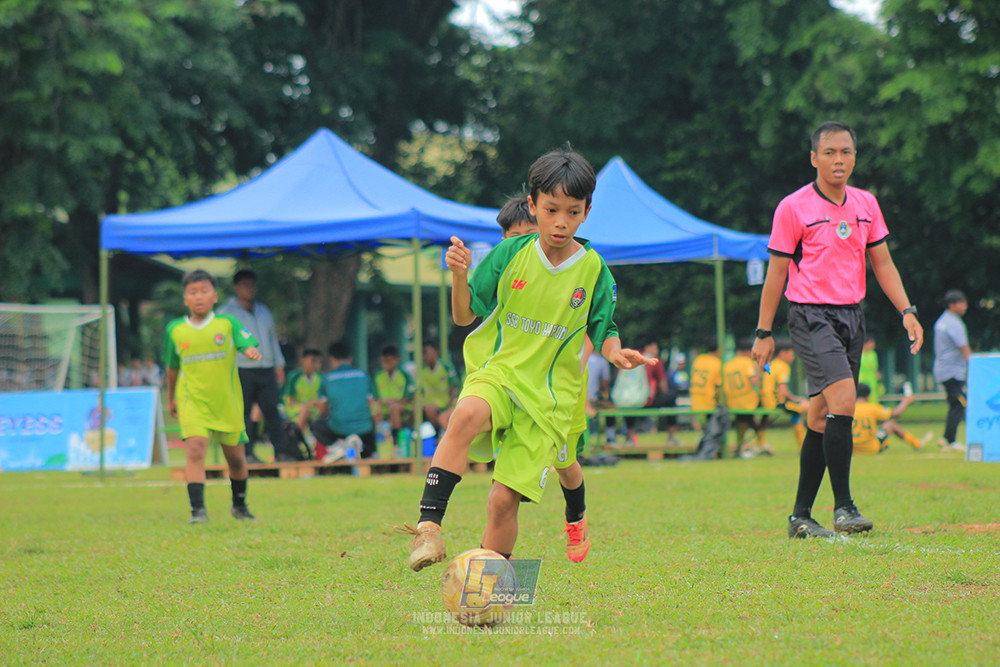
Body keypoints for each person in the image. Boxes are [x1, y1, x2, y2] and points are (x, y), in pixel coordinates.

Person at [404, 146, 655, 572]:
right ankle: (428, 528)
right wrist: (459, 276)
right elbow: (464, 316)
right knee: (464, 414)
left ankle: (495, 586)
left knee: (504, 500)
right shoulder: (509, 254)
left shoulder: (594, 270)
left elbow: (605, 329)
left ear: (586, 212)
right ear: (533, 205)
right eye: (551, 210)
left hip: (550, 401)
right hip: (500, 375)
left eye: (572, 212)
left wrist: (616, 354)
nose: (561, 222)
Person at [752, 121, 923, 539]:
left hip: (852, 316)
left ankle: (800, 517)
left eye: (846, 152)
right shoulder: (793, 207)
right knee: (845, 398)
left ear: (855, 157)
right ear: (814, 158)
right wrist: (763, 332)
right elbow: (776, 273)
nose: (838, 160)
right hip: (810, 315)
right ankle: (844, 508)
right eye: (829, 152)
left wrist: (907, 311)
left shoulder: (866, 204)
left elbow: (882, 263)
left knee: (818, 414)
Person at [498, 190, 593, 560]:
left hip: (559, 390)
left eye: (526, 236)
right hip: (515, 383)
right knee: (504, 490)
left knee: (565, 463)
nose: (520, 244)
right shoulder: (509, 271)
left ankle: (576, 516)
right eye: (512, 238)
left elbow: (589, 334)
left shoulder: (573, 270)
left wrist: (569, 369)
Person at [163, 269, 261, 524]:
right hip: (192, 400)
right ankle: (198, 511)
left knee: (236, 459)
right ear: (185, 298)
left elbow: (246, 342)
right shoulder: (175, 329)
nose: (199, 297)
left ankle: (239, 506)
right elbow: (172, 367)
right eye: (193, 292)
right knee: (195, 449)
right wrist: (171, 397)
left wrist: (250, 350)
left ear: (214, 296)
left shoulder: (227, 324)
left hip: (226, 403)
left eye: (204, 291)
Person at [219, 269, 297, 463]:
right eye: (245, 285)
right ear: (236, 287)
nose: (250, 288)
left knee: (272, 411)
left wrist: (279, 365)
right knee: (243, 412)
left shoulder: (263, 311)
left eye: (252, 285)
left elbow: (272, 339)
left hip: (266, 367)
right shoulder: (226, 313)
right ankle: (247, 453)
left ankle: (281, 453)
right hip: (241, 368)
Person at [310, 340, 377, 460]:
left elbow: (322, 410)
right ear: (350, 358)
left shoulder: (328, 379)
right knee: (371, 421)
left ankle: (339, 447)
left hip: (338, 430)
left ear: (331, 359)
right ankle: (368, 450)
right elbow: (373, 405)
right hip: (364, 430)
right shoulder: (363, 376)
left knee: (316, 424)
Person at [932, 289, 971, 451]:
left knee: (956, 403)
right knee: (959, 403)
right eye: (961, 303)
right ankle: (949, 440)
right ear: (952, 305)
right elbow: (963, 347)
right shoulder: (953, 323)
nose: (964, 306)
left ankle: (948, 438)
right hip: (953, 370)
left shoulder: (942, 321)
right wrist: (974, 366)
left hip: (944, 369)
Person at [852, 383, 931, 454]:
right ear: (868, 396)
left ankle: (886, 443)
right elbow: (896, 413)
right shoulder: (872, 408)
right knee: (890, 425)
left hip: (852, 449)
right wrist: (905, 401)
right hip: (871, 448)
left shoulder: (850, 408)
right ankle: (917, 444)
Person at [758, 341, 807, 448]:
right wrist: (797, 399)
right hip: (776, 403)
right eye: (791, 354)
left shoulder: (771, 364)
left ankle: (760, 443)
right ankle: (803, 445)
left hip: (765, 402)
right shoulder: (783, 366)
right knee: (803, 408)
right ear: (783, 353)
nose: (793, 357)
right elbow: (783, 391)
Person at [723, 339, 761, 458]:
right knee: (757, 420)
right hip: (747, 401)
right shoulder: (747, 362)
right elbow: (754, 380)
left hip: (733, 402)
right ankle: (760, 444)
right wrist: (759, 370)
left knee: (743, 422)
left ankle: (742, 445)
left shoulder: (728, 365)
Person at [372, 344, 415, 443]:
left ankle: (397, 439)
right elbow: (375, 397)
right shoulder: (378, 376)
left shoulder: (405, 376)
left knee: (394, 408)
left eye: (388, 361)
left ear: (397, 360)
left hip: (402, 407)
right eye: (383, 361)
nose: (386, 364)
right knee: (373, 410)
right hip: (383, 407)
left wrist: (393, 401)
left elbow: (408, 397)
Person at [283, 348, 325, 439]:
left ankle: (321, 439)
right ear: (302, 361)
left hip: (315, 409)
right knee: (305, 411)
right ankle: (296, 439)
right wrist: (311, 403)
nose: (317, 365)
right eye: (313, 361)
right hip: (295, 409)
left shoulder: (321, 378)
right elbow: (290, 402)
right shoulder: (294, 377)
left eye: (319, 362)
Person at [420, 341, 459, 432]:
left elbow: (453, 389)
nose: (424, 356)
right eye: (422, 353)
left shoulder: (446, 368)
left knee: (432, 410)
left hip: (443, 405)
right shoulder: (421, 371)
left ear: (436, 352)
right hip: (426, 405)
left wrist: (449, 407)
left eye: (426, 352)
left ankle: (437, 433)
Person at [689, 343, 723, 431]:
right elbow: (718, 386)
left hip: (696, 397)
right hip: (709, 399)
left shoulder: (698, 359)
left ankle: (701, 435)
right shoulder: (717, 363)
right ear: (718, 351)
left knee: (699, 422)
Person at [858, 338, 883, 404]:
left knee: (873, 398)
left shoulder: (873, 354)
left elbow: (875, 368)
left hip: (872, 380)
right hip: (860, 379)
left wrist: (879, 381)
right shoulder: (858, 353)